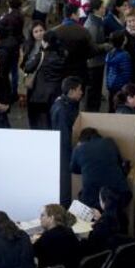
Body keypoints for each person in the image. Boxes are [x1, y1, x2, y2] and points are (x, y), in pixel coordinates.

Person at [51, 76, 83, 207]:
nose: (81, 92)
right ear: (71, 91)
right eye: (79, 90)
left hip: (64, 150)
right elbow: (64, 137)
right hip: (64, 152)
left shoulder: (64, 104)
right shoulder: (63, 110)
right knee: (65, 183)